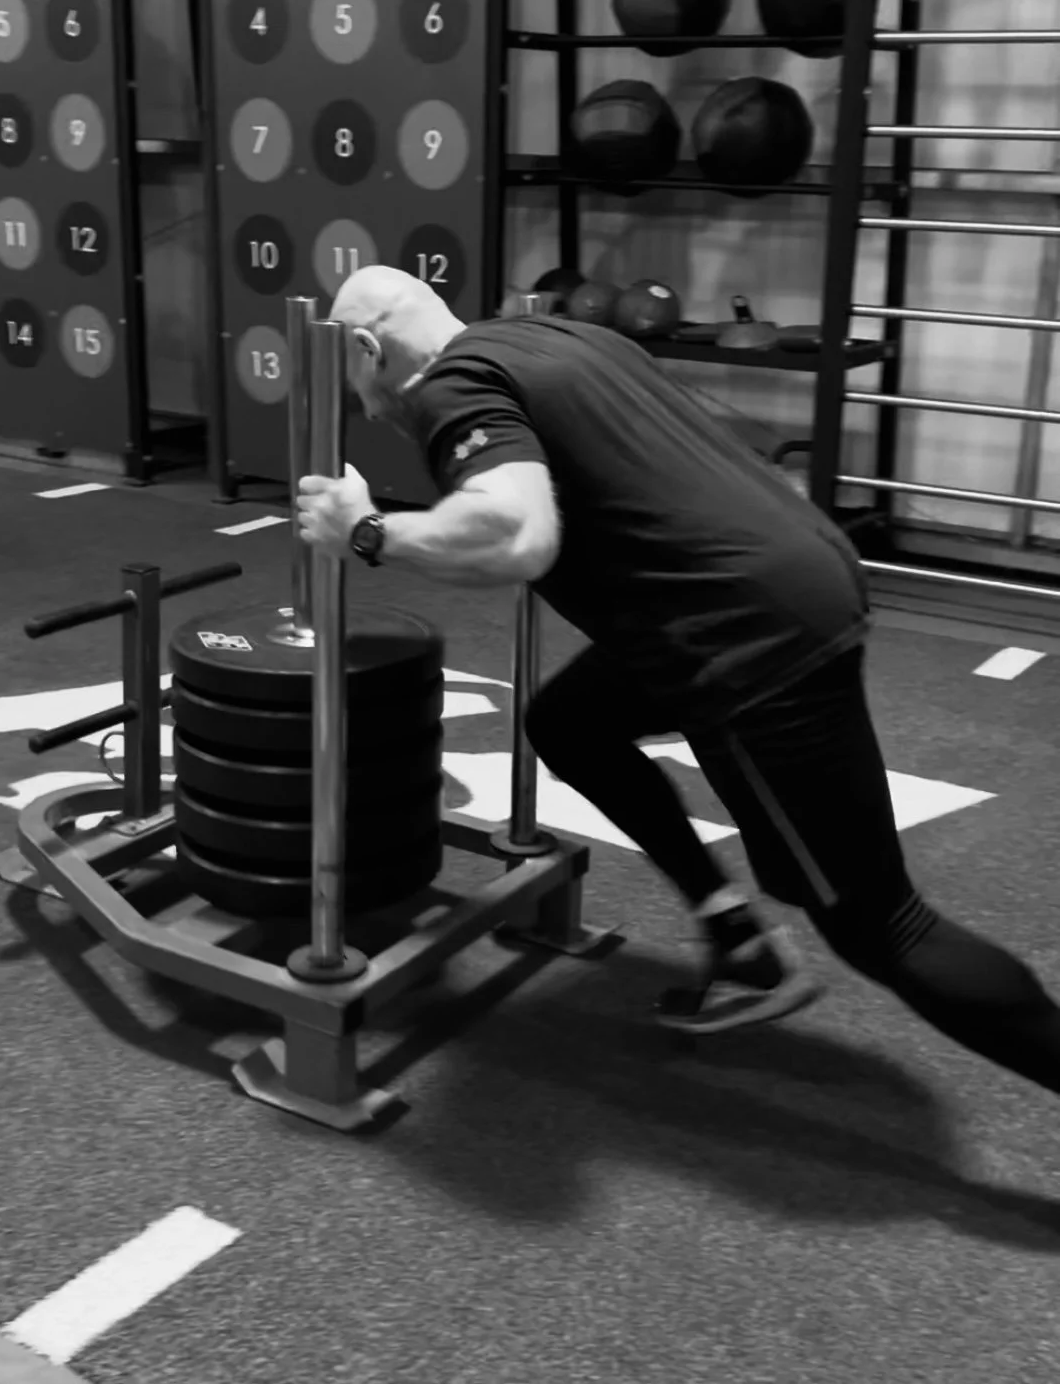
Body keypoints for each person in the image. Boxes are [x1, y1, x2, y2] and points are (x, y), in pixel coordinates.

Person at [296, 266, 1060, 1092]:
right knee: (570, 723)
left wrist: (366, 531)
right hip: (782, 575)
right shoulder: (550, 335)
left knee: (883, 925)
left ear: (366, 348)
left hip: (745, 638)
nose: (364, 402)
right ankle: (734, 933)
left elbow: (516, 534)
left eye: (354, 379)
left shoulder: (451, 389)